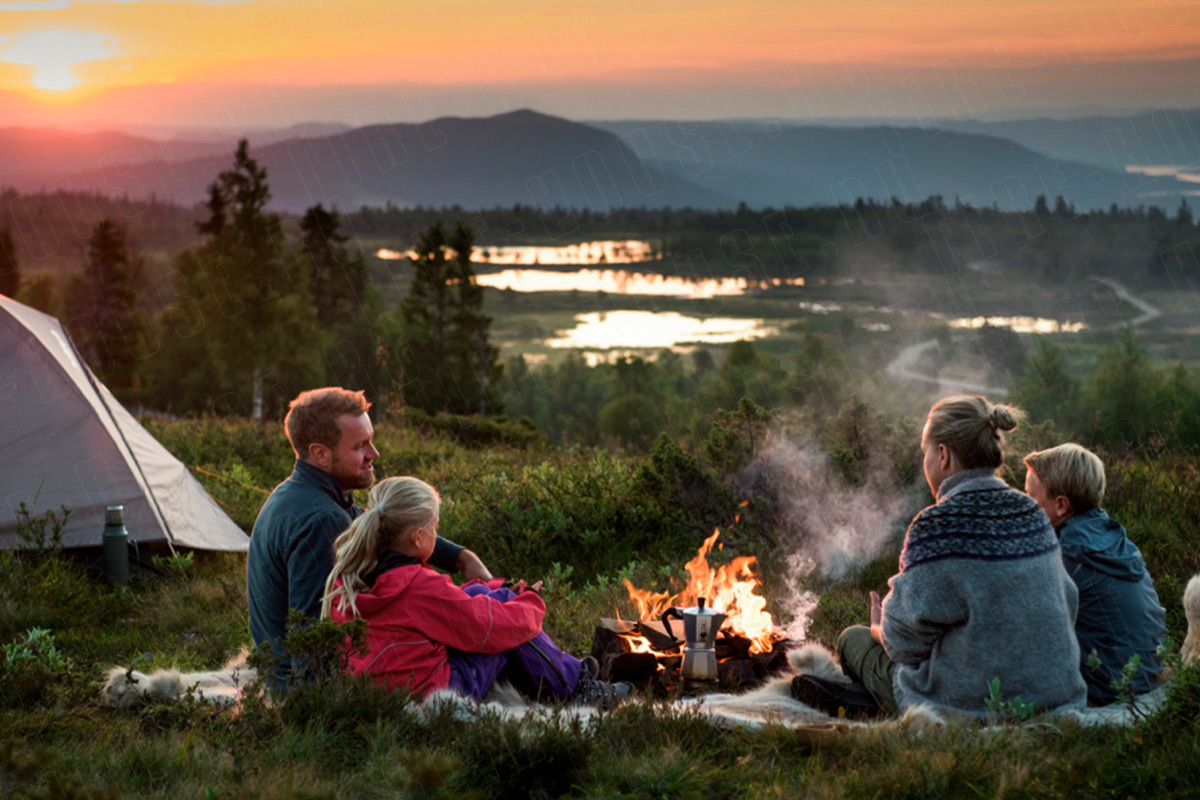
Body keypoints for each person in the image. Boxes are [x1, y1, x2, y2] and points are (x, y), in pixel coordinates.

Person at [795, 395, 1087, 719]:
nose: (925, 463)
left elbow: (903, 646)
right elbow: (1067, 601)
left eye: (925, 453)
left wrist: (880, 630)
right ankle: (862, 699)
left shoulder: (937, 526)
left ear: (943, 455)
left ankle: (865, 701)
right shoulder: (1032, 512)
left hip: (972, 707)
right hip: (1055, 696)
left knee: (853, 639)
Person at [247, 387, 492, 684]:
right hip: (309, 689)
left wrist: (461, 558)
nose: (373, 454)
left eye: (371, 441)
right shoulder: (324, 520)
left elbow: (380, 526)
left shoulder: (297, 495)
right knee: (484, 638)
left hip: (285, 676)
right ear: (320, 454)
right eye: (360, 446)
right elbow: (312, 641)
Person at [321, 476, 630, 705]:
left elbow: (447, 605)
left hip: (380, 690)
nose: (435, 533)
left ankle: (569, 676)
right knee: (508, 622)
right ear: (417, 538)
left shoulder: (349, 574)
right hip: (433, 693)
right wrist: (531, 601)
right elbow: (489, 629)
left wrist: (493, 589)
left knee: (490, 596)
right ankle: (577, 689)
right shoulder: (419, 586)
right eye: (435, 527)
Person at [1024, 443, 1167, 704]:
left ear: (1061, 506)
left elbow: (1028, 625)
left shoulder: (1068, 555)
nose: (1025, 509)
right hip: (1145, 676)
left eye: (1031, 499)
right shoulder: (1114, 539)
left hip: (1107, 690)